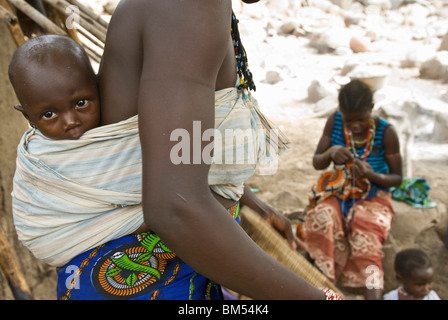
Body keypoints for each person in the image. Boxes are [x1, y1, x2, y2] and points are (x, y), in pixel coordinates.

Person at [10, 1, 338, 300]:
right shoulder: (188, 7)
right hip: (143, 273)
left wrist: (246, 199)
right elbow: (175, 207)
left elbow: (175, 146)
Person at [303, 79, 403, 300]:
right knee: (323, 218)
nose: (355, 125)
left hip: (373, 195)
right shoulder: (334, 121)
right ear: (340, 112)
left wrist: (372, 175)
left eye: (361, 118)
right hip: (338, 192)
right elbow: (317, 162)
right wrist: (332, 152)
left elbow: (397, 178)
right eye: (349, 120)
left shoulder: (386, 132)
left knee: (366, 235)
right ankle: (322, 288)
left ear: (371, 109)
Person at [9, 35, 100, 140]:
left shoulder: (118, 127)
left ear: (99, 86)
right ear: (29, 117)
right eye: (48, 114)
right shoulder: (34, 154)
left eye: (81, 103)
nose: (70, 122)